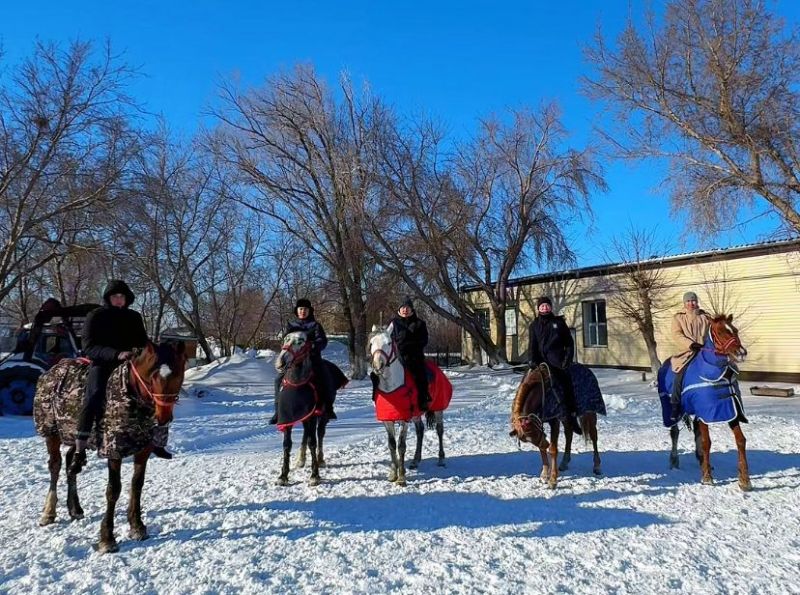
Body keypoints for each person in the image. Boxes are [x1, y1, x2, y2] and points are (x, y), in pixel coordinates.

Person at [70, 280, 170, 474]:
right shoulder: (96, 316)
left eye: (122, 296)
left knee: (160, 393)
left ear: (127, 299)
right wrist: (116, 354)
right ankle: (80, 448)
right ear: (108, 298)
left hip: (132, 364)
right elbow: (89, 347)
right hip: (104, 363)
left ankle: (157, 442)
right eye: (115, 296)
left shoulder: (134, 317)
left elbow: (143, 341)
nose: (118, 299)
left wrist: (159, 354)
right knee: (94, 395)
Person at [270, 298, 336, 424]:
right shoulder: (291, 325)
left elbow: (323, 341)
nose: (302, 312)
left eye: (305, 309)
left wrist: (313, 346)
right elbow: (285, 340)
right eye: (300, 309)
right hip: (293, 360)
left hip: (312, 359)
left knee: (325, 377)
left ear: (309, 311)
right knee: (278, 380)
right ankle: (278, 411)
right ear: (297, 311)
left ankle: (327, 407)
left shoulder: (315, 325)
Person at [528, 296, 582, 435]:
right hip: (540, 363)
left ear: (551, 307)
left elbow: (569, 343)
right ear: (538, 308)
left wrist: (567, 359)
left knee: (566, 384)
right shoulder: (534, 325)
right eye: (542, 306)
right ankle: (533, 417)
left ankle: (572, 415)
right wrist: (532, 360)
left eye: (546, 305)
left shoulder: (558, 322)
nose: (544, 308)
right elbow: (532, 346)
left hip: (558, 361)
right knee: (529, 387)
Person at [669, 291, 709, 421]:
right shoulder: (678, 318)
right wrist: (691, 344)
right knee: (680, 375)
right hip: (686, 353)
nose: (691, 303)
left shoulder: (706, 317)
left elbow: (712, 334)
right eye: (688, 301)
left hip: (704, 352)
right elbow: (676, 335)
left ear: (697, 302)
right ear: (684, 303)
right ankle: (675, 405)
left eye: (693, 301)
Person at [389, 297, 431, 412]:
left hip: (414, 358)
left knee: (420, 376)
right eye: (402, 307)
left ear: (412, 309)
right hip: (397, 357)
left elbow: (424, 340)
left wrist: (410, 344)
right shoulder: (394, 324)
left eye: (407, 307)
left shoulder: (420, 323)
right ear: (399, 310)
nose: (405, 310)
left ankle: (423, 400)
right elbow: (388, 339)